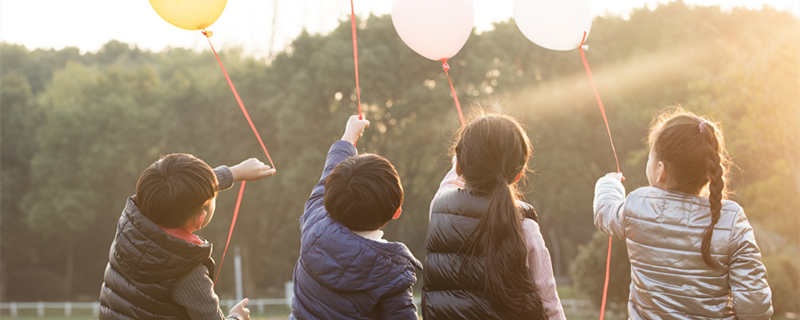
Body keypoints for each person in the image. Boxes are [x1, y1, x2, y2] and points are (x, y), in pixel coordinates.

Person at [593, 108, 773, 318]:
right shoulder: (732, 218)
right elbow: (755, 306)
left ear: (660, 171)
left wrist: (609, 182)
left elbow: (605, 212)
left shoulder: (638, 206)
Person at [422, 114, 565, 320]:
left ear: (460, 165)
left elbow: (451, 179)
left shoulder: (439, 207)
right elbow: (549, 302)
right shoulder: (523, 223)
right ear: (518, 174)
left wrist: (462, 158)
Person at [99, 153, 275, 320]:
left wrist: (234, 172)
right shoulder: (186, 272)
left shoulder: (131, 223)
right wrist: (237, 316)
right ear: (200, 219)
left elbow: (182, 191)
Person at [291, 115, 422, 320]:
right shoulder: (391, 272)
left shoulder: (314, 222)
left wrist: (348, 136)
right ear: (397, 212)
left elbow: (328, 174)